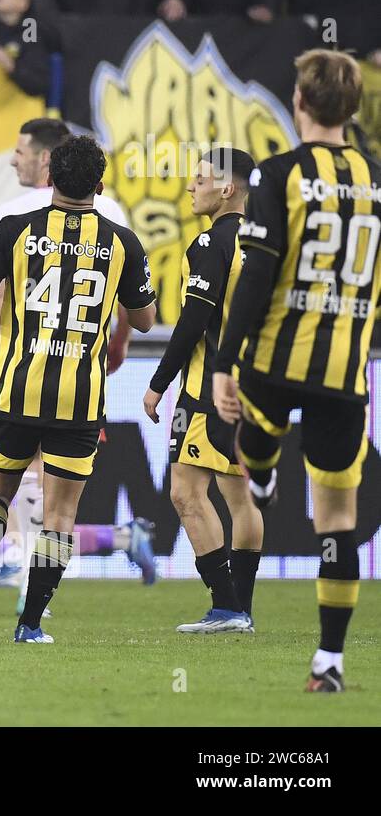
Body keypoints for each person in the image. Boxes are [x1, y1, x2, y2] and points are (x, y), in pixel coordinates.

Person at [0, 134, 157, 644]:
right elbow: (144, 320)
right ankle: (30, 623)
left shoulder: (15, 229)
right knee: (60, 515)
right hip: (80, 400)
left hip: (16, 390)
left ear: (49, 179)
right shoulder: (123, 242)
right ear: (100, 186)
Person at [212, 49, 380, 692]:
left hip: (273, 359)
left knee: (251, 439)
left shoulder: (278, 174)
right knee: (337, 522)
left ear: (299, 103)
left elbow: (254, 273)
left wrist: (225, 361)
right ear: (355, 109)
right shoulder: (380, 181)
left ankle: (258, 482)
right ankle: (330, 662)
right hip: (344, 371)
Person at [0, 118, 154, 598]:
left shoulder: (13, 219)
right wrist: (119, 342)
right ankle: (35, 610)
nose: (14, 158)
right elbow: (137, 309)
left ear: (48, 169)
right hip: (81, 382)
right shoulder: (117, 226)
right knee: (61, 508)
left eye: (19, 150)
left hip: (20, 373)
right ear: (98, 185)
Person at [143, 147, 263, 634]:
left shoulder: (212, 242)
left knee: (186, 492)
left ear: (226, 188)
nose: (191, 187)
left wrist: (156, 384)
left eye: (199, 178)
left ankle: (227, 606)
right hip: (255, 386)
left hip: (207, 387)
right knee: (240, 498)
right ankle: (241, 609)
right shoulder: (266, 240)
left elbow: (194, 320)